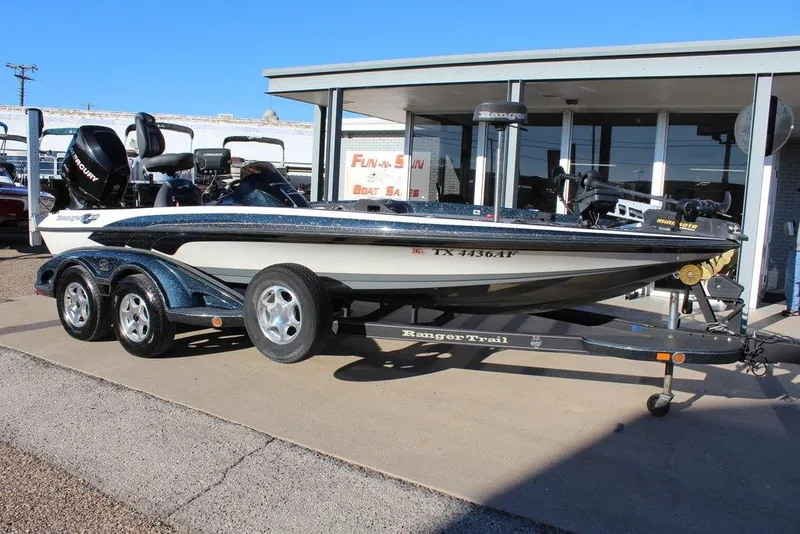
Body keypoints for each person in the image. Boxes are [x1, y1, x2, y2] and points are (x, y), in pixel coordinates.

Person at [783, 196, 800, 317]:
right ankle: (793, 307)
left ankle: (793, 307)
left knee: (793, 279)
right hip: (796, 248)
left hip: (797, 248)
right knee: (793, 279)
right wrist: (788, 229)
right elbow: (792, 225)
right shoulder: (798, 206)